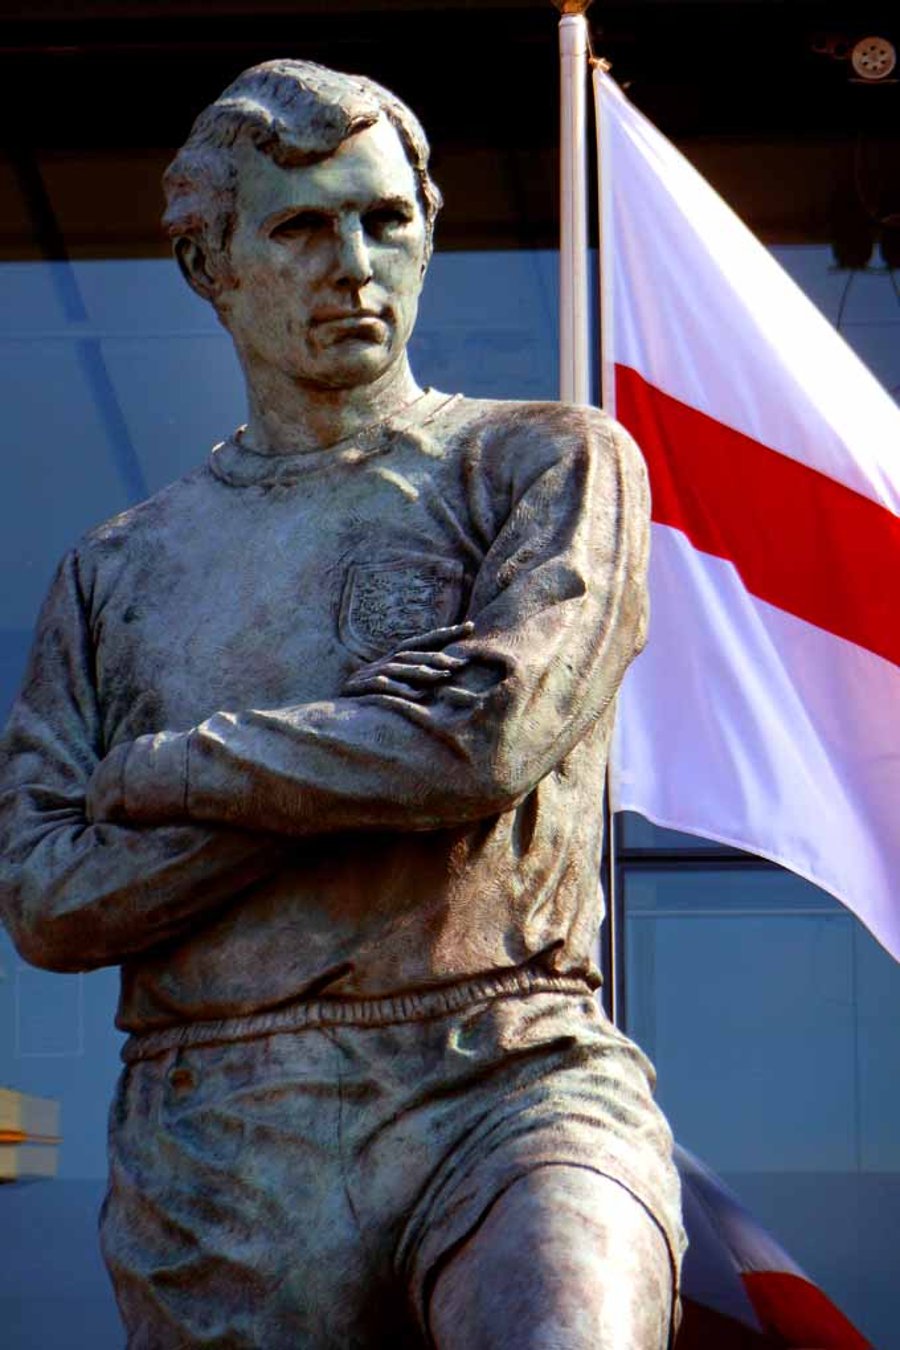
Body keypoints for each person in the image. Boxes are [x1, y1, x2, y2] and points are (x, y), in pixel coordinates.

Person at [0, 60, 684, 1349]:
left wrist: (175, 774)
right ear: (208, 263)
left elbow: (487, 739)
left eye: (387, 220)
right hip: (222, 1131)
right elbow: (48, 897)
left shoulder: (543, 461)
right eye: (303, 228)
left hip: (507, 1066)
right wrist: (371, 762)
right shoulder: (115, 573)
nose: (356, 266)